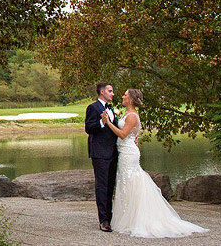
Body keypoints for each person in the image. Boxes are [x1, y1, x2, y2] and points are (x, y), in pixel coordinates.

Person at [104, 88, 207, 238]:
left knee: (131, 181)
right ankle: (128, 217)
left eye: (125, 95)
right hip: (124, 152)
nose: (122, 97)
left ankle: (136, 219)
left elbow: (123, 134)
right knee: (126, 182)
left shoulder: (132, 116)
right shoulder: (127, 114)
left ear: (131, 99)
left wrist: (107, 122)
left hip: (129, 153)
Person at [84, 81, 119, 232]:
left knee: (111, 186)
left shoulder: (111, 109)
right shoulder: (93, 107)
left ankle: (110, 218)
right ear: (102, 92)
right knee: (102, 187)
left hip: (113, 152)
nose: (113, 93)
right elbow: (88, 128)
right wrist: (101, 122)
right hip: (100, 153)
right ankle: (103, 220)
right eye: (110, 91)